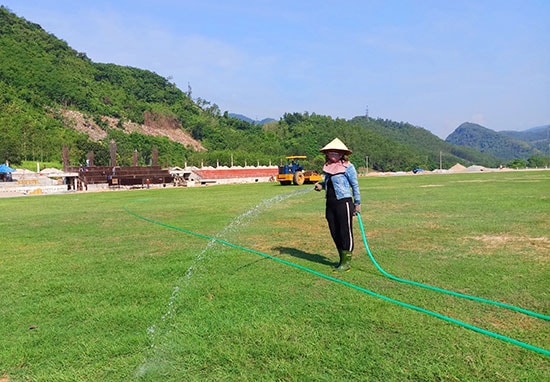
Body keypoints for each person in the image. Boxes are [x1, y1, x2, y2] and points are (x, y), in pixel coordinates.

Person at [314, 138, 361, 272]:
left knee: (345, 231)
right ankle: (341, 258)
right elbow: (329, 184)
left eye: (336, 152)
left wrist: (357, 203)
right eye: (330, 152)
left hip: (343, 203)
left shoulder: (348, 167)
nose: (332, 154)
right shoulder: (328, 168)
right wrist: (321, 185)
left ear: (341, 154)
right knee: (334, 231)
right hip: (330, 203)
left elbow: (354, 185)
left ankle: (346, 262)